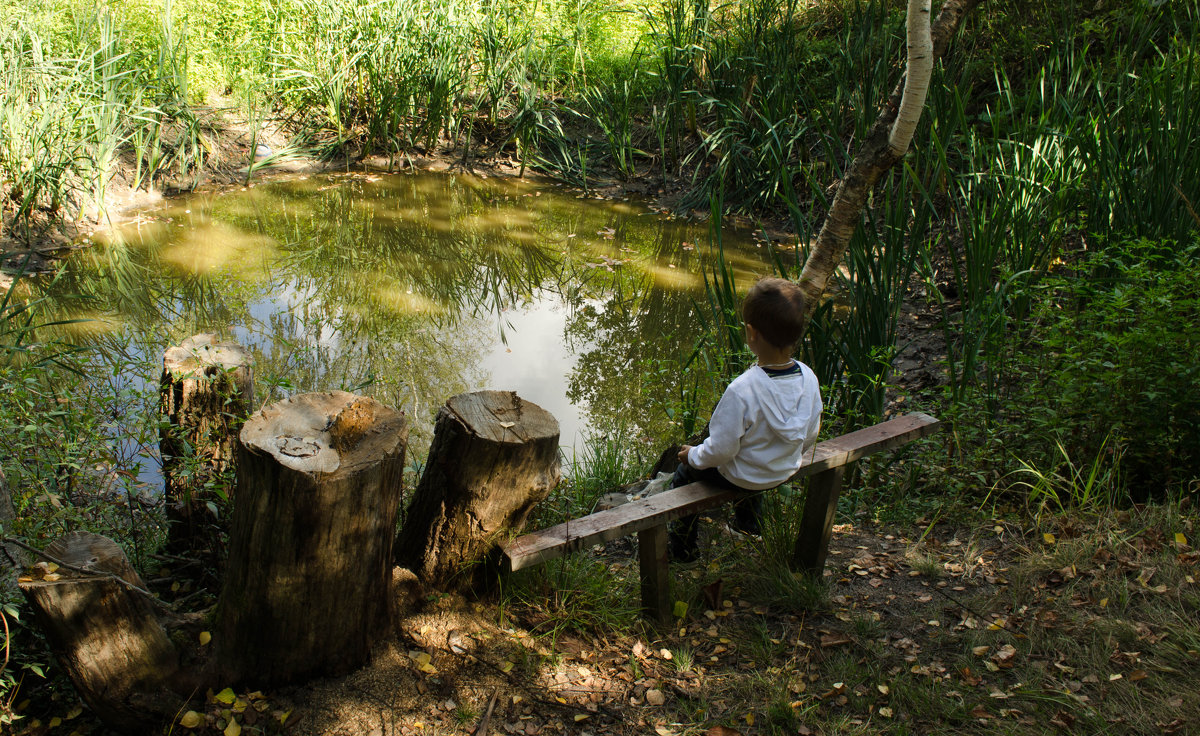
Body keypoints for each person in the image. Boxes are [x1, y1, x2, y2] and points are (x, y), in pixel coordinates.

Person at [668, 276, 822, 562]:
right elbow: (812, 432)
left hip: (743, 476)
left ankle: (682, 549)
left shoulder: (742, 389)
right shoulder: (808, 378)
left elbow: (722, 450)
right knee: (754, 458)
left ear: (752, 334)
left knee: (684, 476)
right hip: (781, 469)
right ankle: (750, 528)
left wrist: (693, 456)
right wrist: (787, 454)